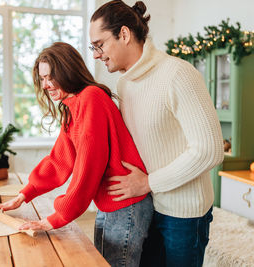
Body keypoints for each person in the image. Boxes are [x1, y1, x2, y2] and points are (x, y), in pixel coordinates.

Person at [0, 42, 153, 267]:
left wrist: (56, 218)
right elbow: (58, 160)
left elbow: (88, 165)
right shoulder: (73, 105)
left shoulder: (91, 98)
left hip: (126, 204)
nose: (45, 85)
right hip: (110, 202)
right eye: (42, 79)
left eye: (49, 77)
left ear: (66, 69)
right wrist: (23, 195)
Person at [89, 1, 224, 266]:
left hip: (184, 214)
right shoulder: (125, 83)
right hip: (148, 206)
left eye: (99, 44)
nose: (95, 54)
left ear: (124, 34)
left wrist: (148, 182)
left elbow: (210, 149)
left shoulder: (177, 74)